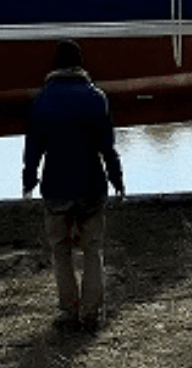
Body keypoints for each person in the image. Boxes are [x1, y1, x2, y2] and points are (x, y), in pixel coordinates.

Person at [23, 40, 125, 331]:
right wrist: (117, 179)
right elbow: (108, 148)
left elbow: (33, 148)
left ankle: (69, 312)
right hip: (91, 185)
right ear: (81, 65)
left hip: (55, 186)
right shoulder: (97, 98)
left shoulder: (41, 100)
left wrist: (29, 180)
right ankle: (91, 313)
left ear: (55, 65)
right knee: (93, 251)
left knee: (61, 251)